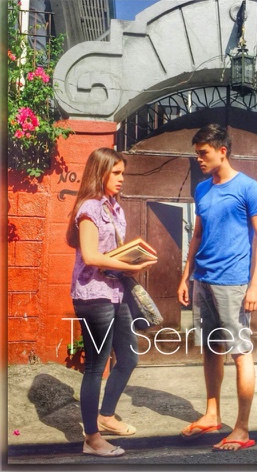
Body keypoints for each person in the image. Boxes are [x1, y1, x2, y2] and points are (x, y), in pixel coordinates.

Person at [177, 124, 257, 451]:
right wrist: (186, 277)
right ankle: (212, 414)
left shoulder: (248, 188)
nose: (199, 159)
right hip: (203, 280)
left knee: (240, 352)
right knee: (210, 349)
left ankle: (242, 429)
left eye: (203, 153)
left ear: (222, 151)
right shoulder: (202, 189)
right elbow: (197, 236)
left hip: (234, 283)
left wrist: (256, 283)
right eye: (196, 153)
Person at [66, 147, 157, 457]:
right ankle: (91, 439)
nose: (121, 179)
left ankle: (106, 416)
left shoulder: (115, 208)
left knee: (128, 358)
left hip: (116, 292)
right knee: (96, 367)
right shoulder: (89, 208)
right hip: (93, 295)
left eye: (123, 173)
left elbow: (110, 253)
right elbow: (92, 256)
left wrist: (130, 260)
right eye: (116, 173)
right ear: (100, 172)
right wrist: (129, 266)